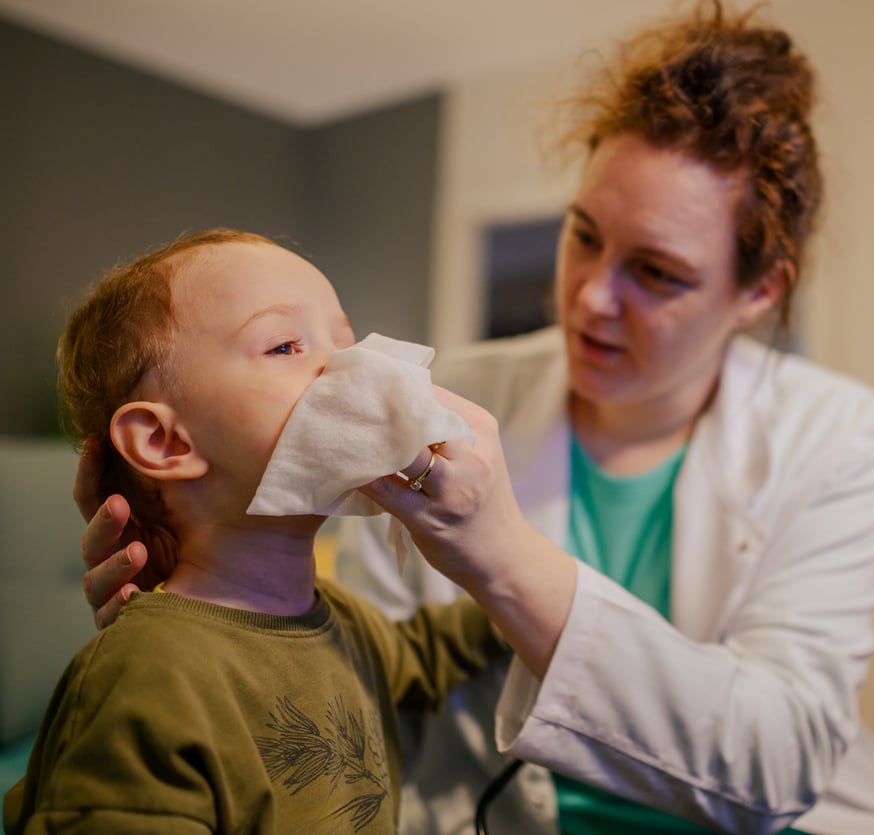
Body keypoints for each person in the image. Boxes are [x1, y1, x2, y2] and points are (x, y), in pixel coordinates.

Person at [79, 3, 874, 834]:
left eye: (656, 273)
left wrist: (500, 552)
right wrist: (198, 628)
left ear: (758, 289)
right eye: (583, 234)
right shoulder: (446, 397)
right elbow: (366, 672)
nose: (588, 297)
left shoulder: (837, 434)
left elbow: (782, 755)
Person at [4, 229, 515, 834]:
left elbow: (433, 649)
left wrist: (518, 569)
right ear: (164, 441)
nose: (353, 367)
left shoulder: (346, 624)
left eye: (345, 342)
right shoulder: (148, 675)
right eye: (285, 346)